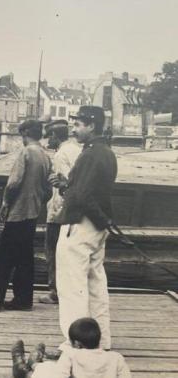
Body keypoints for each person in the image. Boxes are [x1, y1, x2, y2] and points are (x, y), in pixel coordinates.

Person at [52, 106, 117, 350]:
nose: (74, 129)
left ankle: (75, 343)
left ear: (91, 125)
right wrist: (104, 221)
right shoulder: (107, 153)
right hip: (96, 227)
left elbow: (82, 195)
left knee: (73, 286)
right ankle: (102, 342)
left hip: (80, 224)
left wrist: (67, 188)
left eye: (78, 124)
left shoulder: (89, 154)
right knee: (96, 284)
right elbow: (94, 190)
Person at [0, 120, 52, 312]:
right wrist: (36, 201)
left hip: (17, 213)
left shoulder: (25, 153)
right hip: (32, 213)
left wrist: (6, 204)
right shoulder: (45, 155)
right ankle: (23, 299)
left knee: (3, 257)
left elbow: (13, 183)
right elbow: (48, 190)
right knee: (25, 258)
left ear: (24, 133)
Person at [39, 119, 82, 305]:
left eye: (49, 136)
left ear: (56, 136)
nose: (48, 141)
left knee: (53, 252)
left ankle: (54, 291)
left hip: (58, 212)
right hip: (72, 212)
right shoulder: (76, 150)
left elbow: (64, 180)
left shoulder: (60, 155)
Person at [11, 317, 130, 378]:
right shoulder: (116, 357)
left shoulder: (72, 355)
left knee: (48, 369)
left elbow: (59, 376)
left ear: (77, 344)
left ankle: (26, 368)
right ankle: (30, 365)